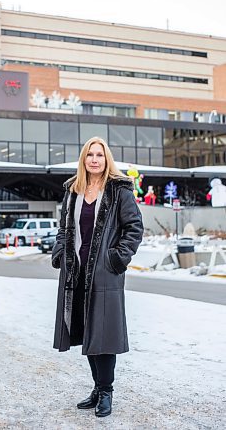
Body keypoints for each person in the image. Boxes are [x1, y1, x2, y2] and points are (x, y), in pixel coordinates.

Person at [52, 137, 143, 418]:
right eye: (90, 154)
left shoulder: (119, 191)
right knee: (87, 331)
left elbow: (135, 228)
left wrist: (116, 258)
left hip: (105, 273)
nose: (94, 159)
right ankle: (96, 387)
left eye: (99, 155)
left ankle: (106, 391)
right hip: (76, 273)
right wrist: (60, 252)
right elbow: (64, 228)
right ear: (83, 159)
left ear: (106, 160)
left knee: (104, 334)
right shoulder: (74, 190)